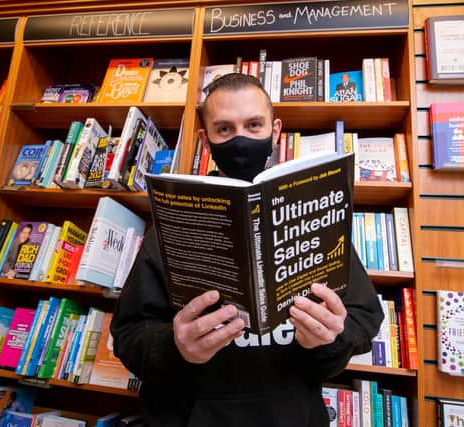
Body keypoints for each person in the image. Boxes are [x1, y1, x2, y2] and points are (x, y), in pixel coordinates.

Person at [111, 73, 383, 427]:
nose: (240, 140)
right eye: (224, 129)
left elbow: (364, 318)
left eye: (254, 125)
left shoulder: (316, 215)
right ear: (204, 139)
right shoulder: (170, 225)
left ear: (276, 130)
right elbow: (128, 336)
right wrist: (174, 347)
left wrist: (329, 338)